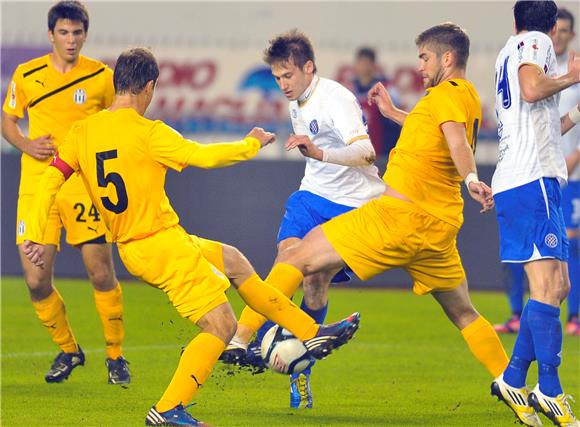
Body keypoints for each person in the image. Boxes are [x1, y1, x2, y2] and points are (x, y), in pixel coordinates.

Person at [22, 47, 361, 426]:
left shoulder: (83, 131)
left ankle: (309, 331)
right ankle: (168, 409)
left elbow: (51, 178)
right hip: (158, 244)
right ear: (148, 87)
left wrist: (35, 233)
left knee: (233, 260)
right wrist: (251, 143)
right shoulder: (148, 132)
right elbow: (204, 156)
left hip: (149, 242)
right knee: (222, 326)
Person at [223, 21, 511, 418]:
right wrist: (392, 112)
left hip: (383, 210)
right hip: (410, 220)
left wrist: (473, 178)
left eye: (424, 57)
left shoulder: (355, 98)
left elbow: (399, 148)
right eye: (278, 77)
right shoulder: (453, 97)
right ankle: (511, 383)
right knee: (463, 312)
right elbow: (435, 131)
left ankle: (286, 346)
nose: (420, 66)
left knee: (302, 268)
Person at [220, 30, 386, 409]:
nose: (283, 85)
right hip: (311, 196)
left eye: (288, 76)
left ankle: (300, 369)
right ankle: (242, 341)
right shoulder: (298, 99)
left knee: (314, 284)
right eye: (277, 78)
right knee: (286, 259)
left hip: (351, 204)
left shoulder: (336, 98)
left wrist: (320, 152)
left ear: (308, 67)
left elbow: (366, 151)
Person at [1, 0, 130, 385]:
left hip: (83, 188)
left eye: (77, 33)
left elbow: (122, 119)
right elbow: (8, 119)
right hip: (38, 189)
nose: (71, 40)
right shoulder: (27, 75)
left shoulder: (102, 78)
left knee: (100, 270)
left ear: (85, 35)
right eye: (63, 32)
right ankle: (69, 350)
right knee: (36, 279)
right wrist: (25, 144)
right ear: (51, 35)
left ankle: (115, 355)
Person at [489, 1, 580, 426]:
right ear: (553, 27)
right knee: (547, 285)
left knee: (556, 285)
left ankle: (512, 378)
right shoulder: (536, 42)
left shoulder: (509, 49)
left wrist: (577, 110)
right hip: (532, 181)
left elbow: (539, 119)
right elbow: (531, 90)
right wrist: (571, 77)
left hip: (526, 179)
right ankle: (550, 389)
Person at [554, 7, 580, 336]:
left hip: (572, 174)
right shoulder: (538, 69)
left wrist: (576, 156)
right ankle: (519, 312)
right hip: (544, 172)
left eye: (564, 30)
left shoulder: (575, 70)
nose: (558, 35)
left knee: (572, 244)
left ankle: (574, 315)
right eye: (554, 29)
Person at [351, 47, 401, 158]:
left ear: (373, 65)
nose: (364, 67)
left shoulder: (387, 89)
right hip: (359, 151)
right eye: (361, 63)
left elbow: (396, 119)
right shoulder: (349, 90)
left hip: (383, 151)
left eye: (367, 63)